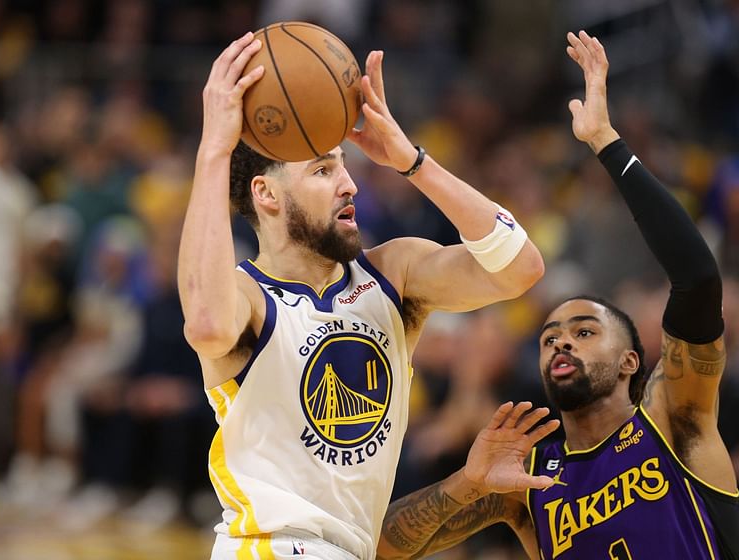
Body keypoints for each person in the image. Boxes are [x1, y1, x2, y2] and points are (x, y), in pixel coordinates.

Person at [178, 31, 551, 560]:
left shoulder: (392, 274)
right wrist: (214, 148)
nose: (350, 184)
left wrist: (411, 160)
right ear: (266, 194)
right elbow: (208, 325)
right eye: (323, 170)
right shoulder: (247, 296)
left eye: (345, 166)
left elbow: (520, 268)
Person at [376, 31, 739, 560]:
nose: (560, 344)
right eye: (550, 338)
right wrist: (469, 484)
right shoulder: (529, 476)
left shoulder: (674, 418)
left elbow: (699, 280)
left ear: (629, 362)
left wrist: (604, 141)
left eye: (583, 331)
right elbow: (378, 547)